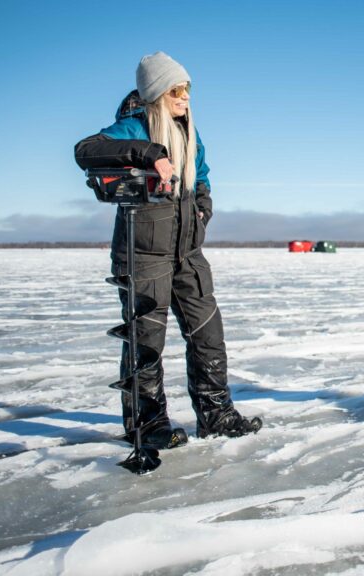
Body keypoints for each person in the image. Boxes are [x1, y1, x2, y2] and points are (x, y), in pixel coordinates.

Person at [75, 52, 262, 449]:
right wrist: (149, 153)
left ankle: (216, 414)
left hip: (187, 253)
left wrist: (202, 208)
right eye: (177, 90)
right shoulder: (133, 127)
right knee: (146, 341)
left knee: (208, 334)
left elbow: (203, 176)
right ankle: (148, 423)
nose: (185, 97)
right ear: (158, 93)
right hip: (144, 253)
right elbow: (86, 150)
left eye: (188, 89)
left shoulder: (190, 133)